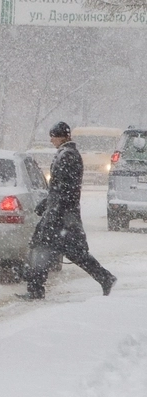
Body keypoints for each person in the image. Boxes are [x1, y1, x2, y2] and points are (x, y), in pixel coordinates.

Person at [18, 121, 117, 300]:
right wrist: (47, 203)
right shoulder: (66, 154)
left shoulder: (68, 156)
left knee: (45, 249)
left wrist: (53, 209)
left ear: (63, 137)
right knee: (67, 251)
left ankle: (36, 288)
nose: (51, 140)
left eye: (53, 136)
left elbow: (64, 189)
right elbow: (60, 188)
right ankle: (104, 277)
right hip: (61, 213)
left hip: (60, 215)